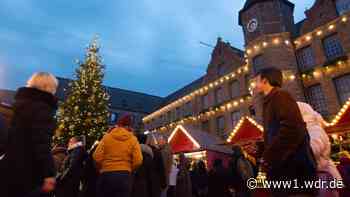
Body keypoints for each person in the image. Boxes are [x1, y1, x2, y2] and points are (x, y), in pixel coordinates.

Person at [253, 67, 317, 196]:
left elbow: (292, 129)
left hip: (293, 173)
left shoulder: (280, 95)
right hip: (283, 172)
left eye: (257, 81)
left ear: (265, 81)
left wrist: (269, 156)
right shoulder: (269, 100)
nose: (255, 84)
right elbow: (276, 132)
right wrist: (261, 147)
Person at [3, 72, 59, 197]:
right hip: (29, 171)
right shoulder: (43, 110)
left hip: (9, 166)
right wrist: (49, 173)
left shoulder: (18, 106)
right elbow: (42, 144)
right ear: (49, 87)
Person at [298, 102, 342, 197]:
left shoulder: (314, 129)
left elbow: (313, 149)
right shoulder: (308, 129)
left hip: (322, 178)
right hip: (318, 178)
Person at [93, 115, 143, 197]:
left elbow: (96, 156)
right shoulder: (133, 139)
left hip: (106, 174)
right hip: (124, 175)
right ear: (129, 126)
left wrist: (101, 168)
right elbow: (138, 160)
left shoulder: (107, 137)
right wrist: (130, 169)